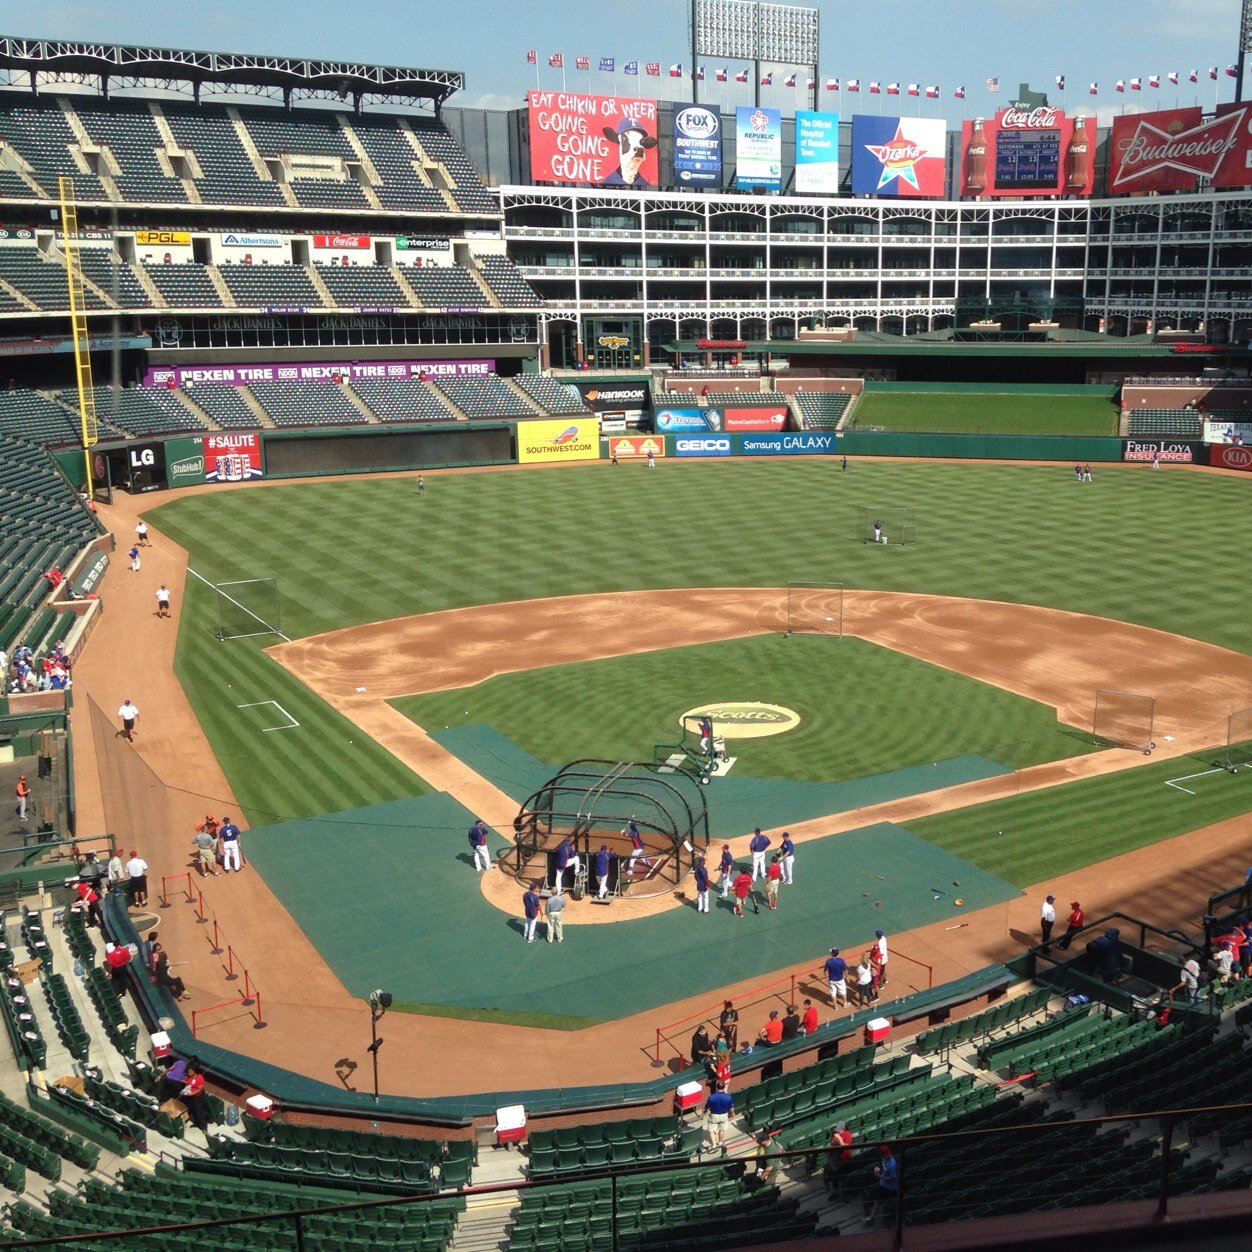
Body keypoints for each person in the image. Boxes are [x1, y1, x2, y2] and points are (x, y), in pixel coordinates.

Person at [599, 116, 658, 189]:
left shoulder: (645, 186)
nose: (638, 147)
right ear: (618, 141)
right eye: (624, 139)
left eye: (641, 142)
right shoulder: (607, 183)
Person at [865, 1143, 899, 1225]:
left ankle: (872, 1217)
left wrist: (879, 1176)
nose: (887, 1156)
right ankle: (871, 1216)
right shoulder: (884, 1159)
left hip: (889, 1188)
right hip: (883, 1184)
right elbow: (883, 1166)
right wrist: (878, 1168)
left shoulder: (892, 1164)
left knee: (876, 1198)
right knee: (876, 1198)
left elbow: (892, 1179)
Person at [823, 1121, 855, 1196]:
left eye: (839, 1129)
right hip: (835, 1157)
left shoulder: (847, 1134)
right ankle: (835, 1191)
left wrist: (839, 1138)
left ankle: (839, 1191)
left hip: (844, 1159)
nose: (837, 1131)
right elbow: (832, 1143)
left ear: (843, 1129)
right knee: (832, 1173)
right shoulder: (835, 1133)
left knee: (837, 1175)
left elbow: (845, 1147)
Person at [178, 1062, 210, 1133]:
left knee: (199, 1112)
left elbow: (199, 1089)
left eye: (190, 1072)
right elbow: (187, 1084)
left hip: (197, 1097)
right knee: (192, 1109)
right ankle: (196, 1123)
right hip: (190, 1096)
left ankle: (203, 1127)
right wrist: (185, 1091)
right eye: (188, 1072)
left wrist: (191, 1094)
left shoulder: (199, 1078)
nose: (189, 1073)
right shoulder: (189, 1077)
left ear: (195, 1071)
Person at [704, 1081, 733, 1154]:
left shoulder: (712, 1097)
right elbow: (731, 1107)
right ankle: (720, 1142)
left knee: (711, 1130)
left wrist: (705, 1111)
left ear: (717, 1087)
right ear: (723, 1087)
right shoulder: (728, 1097)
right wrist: (732, 1113)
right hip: (724, 1115)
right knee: (722, 1129)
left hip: (714, 1115)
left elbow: (707, 1106)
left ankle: (714, 1146)